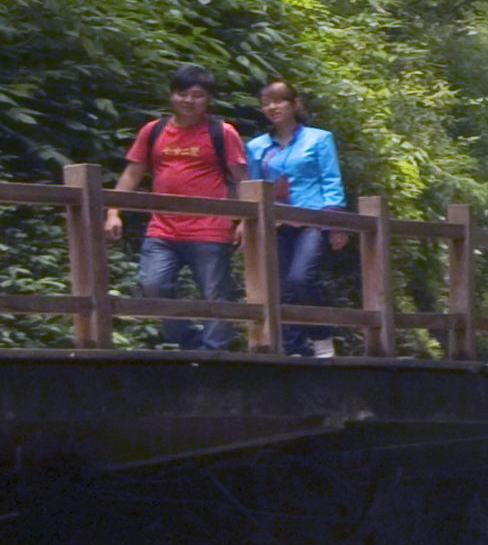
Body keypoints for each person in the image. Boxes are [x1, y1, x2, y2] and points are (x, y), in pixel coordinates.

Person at [111, 65, 246, 349]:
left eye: (197, 95)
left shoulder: (222, 132)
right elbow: (133, 172)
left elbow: (241, 178)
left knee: (215, 293)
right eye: (182, 94)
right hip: (163, 226)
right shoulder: (154, 130)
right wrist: (114, 211)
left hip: (210, 227)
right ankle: (186, 339)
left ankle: (214, 353)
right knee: (153, 286)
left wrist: (246, 220)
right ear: (172, 96)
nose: (188, 100)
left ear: (208, 99)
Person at [248, 78, 345, 355]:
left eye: (279, 100)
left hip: (312, 219)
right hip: (275, 222)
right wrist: (248, 225)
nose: (272, 107)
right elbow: (253, 187)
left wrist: (336, 222)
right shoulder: (257, 147)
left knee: (300, 278)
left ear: (294, 104)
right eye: (266, 103)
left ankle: (321, 336)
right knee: (280, 286)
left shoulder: (319, 139)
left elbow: (331, 180)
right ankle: (291, 346)